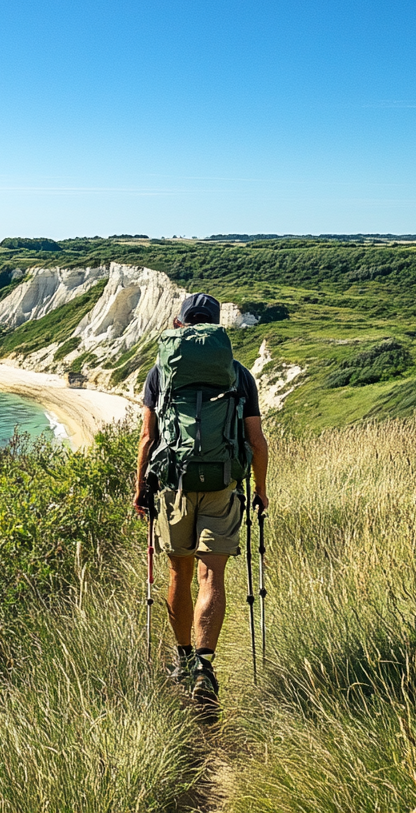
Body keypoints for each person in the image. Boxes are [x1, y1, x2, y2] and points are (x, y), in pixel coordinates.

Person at [133, 293, 269, 707]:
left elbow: (147, 438)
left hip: (174, 486)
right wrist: (260, 489)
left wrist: (141, 487)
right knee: (213, 577)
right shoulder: (239, 374)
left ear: (179, 325)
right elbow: (256, 441)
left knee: (179, 575)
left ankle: (182, 659)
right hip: (222, 485)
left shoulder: (161, 372)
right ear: (215, 328)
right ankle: (205, 669)